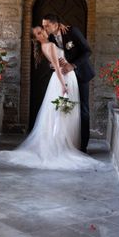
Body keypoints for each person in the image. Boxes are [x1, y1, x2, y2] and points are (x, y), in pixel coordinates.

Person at [0, 27, 107, 171]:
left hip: (66, 77)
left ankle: (68, 142)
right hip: (63, 78)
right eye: (39, 33)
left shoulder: (46, 44)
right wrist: (63, 85)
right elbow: (57, 68)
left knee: (63, 111)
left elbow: (56, 61)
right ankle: (62, 143)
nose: (44, 32)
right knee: (63, 111)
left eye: (42, 29)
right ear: (37, 38)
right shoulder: (50, 45)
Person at [41, 13, 94, 153]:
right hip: (64, 78)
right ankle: (64, 141)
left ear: (55, 24)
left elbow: (88, 51)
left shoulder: (72, 31)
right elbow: (51, 56)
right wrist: (52, 65)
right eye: (43, 25)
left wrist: (73, 65)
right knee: (63, 108)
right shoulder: (50, 37)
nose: (44, 28)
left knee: (82, 109)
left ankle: (83, 146)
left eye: (47, 25)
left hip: (80, 74)